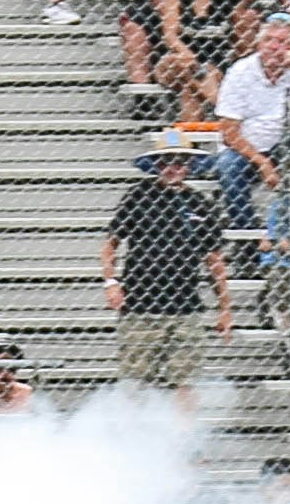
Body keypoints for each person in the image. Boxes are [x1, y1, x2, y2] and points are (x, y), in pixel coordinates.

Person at [100, 135, 233, 391]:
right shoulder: (139, 196)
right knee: (135, 382)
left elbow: (214, 260)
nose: (173, 168)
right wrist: (111, 282)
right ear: (157, 165)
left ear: (190, 165)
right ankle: (134, 429)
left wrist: (225, 308)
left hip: (185, 306)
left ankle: (184, 432)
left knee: (185, 382)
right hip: (140, 304)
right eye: (166, 162)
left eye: (180, 162)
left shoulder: (200, 204)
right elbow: (110, 245)